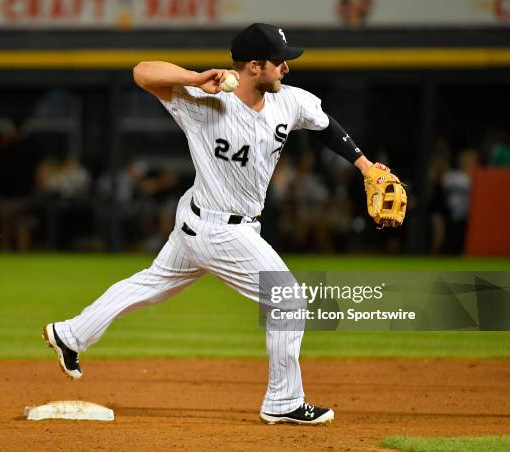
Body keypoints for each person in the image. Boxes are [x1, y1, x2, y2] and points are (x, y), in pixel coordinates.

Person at [42, 23, 397, 425]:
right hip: (218, 228)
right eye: (278, 61)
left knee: (153, 283)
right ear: (253, 65)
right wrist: (195, 77)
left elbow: (325, 125)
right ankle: (283, 401)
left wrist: (366, 166)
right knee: (287, 301)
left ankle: (71, 334)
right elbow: (141, 71)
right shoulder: (203, 102)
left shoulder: (288, 102)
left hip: (205, 222)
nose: (286, 68)